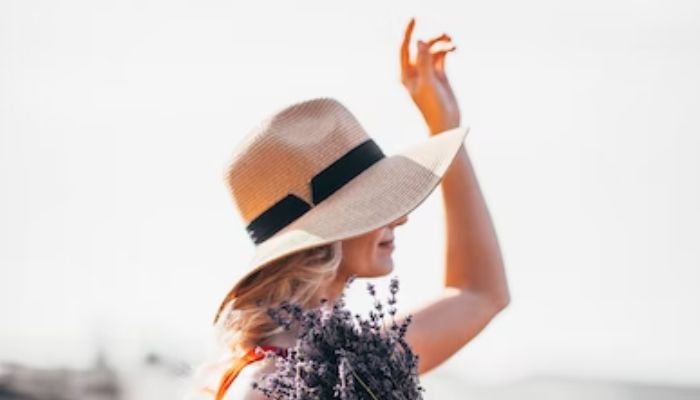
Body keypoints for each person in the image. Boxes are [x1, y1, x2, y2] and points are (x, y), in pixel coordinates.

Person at [187, 17, 510, 400]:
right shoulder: (266, 388)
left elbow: (480, 293)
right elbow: (478, 294)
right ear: (325, 234)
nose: (400, 218)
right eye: (374, 205)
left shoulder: (356, 362)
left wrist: (444, 126)